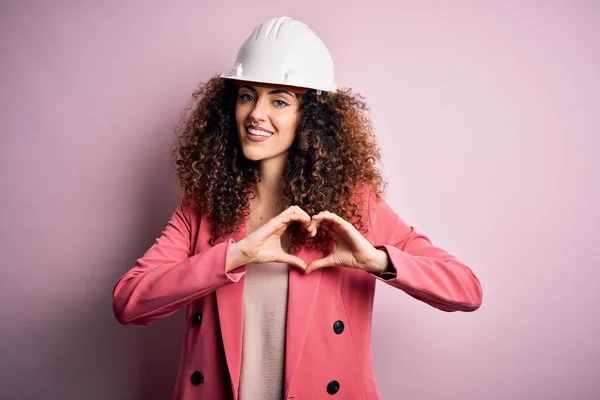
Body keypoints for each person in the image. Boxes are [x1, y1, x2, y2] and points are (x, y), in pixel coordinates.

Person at [112, 16, 483, 400]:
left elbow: (466, 290)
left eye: (279, 100)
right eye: (246, 95)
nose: (256, 113)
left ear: (311, 120)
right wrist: (233, 257)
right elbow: (129, 301)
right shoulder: (203, 204)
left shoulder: (353, 204)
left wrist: (377, 260)